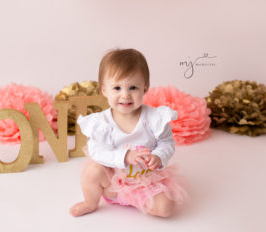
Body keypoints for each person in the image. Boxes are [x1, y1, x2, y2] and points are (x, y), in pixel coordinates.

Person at [70, 48, 188, 217]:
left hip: (144, 180)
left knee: (166, 208)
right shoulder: (101, 123)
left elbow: (167, 143)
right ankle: (90, 202)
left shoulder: (155, 118)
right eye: (117, 88)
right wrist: (125, 157)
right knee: (92, 171)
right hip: (111, 183)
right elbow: (97, 151)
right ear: (104, 90)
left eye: (133, 87)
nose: (125, 95)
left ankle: (135, 199)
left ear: (145, 88)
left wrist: (158, 156)